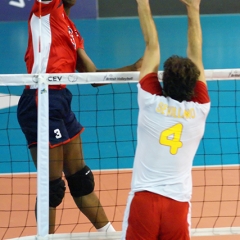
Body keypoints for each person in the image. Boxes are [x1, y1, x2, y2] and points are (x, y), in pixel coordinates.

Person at [17, 0, 142, 234]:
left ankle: (110, 236)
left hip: (61, 99)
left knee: (80, 179)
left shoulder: (73, 30)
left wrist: (133, 68)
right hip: (40, 98)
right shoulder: (47, 8)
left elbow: (92, 77)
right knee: (52, 188)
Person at [122, 0, 210, 239]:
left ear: (164, 82)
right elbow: (196, 54)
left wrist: (142, 2)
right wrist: (193, 7)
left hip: (144, 201)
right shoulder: (200, 108)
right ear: (194, 85)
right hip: (177, 205)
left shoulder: (151, 100)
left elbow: (152, 46)